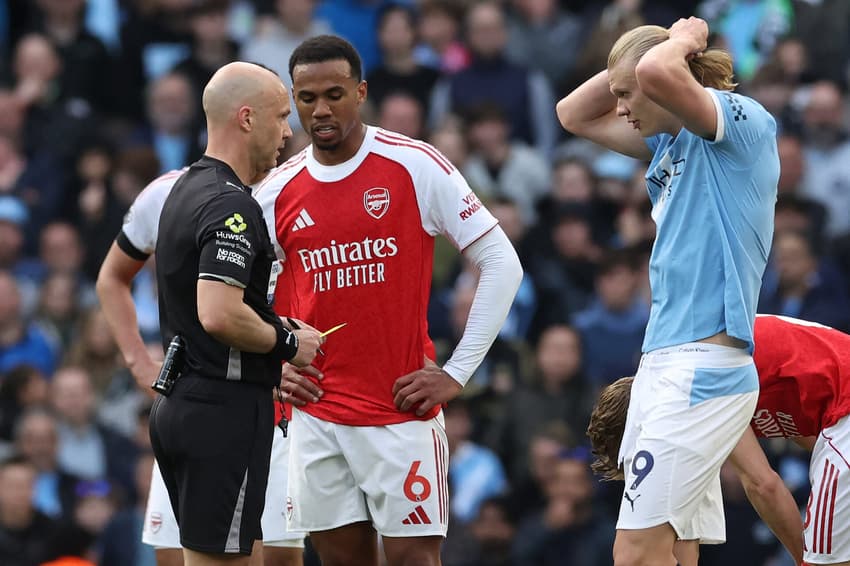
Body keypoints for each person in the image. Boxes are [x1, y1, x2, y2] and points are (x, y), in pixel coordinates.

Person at [254, 35, 523, 566]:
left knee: (414, 561)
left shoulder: (415, 165)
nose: (322, 110)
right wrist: (272, 362)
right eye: (307, 99)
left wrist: (458, 372)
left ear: (361, 92)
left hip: (400, 410)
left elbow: (502, 263)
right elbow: (247, 302)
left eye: (335, 93)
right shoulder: (274, 192)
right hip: (315, 411)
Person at [556, 16, 778, 565]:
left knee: (633, 553)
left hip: (703, 367)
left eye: (627, 95)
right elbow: (571, 114)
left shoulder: (742, 125)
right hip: (663, 363)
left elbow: (656, 69)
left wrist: (679, 42)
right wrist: (641, 49)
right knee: (677, 550)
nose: (621, 107)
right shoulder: (666, 143)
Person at [149, 62, 323, 566]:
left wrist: (276, 327)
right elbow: (220, 314)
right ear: (246, 118)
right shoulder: (232, 205)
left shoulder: (184, 189)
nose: (289, 132)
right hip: (221, 410)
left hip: (181, 401)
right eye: (282, 116)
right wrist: (289, 342)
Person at [97, 171, 311, 564]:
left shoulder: (300, 185)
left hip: (267, 407)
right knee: (173, 556)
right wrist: (140, 363)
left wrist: (290, 352)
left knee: (275, 556)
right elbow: (112, 277)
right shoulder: (167, 192)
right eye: (280, 116)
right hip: (196, 401)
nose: (286, 131)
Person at [587, 313, 850, 565]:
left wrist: (803, 561)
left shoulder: (696, 386)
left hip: (845, 411)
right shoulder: (696, 364)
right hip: (838, 416)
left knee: (824, 560)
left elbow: (762, 484)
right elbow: (807, 426)